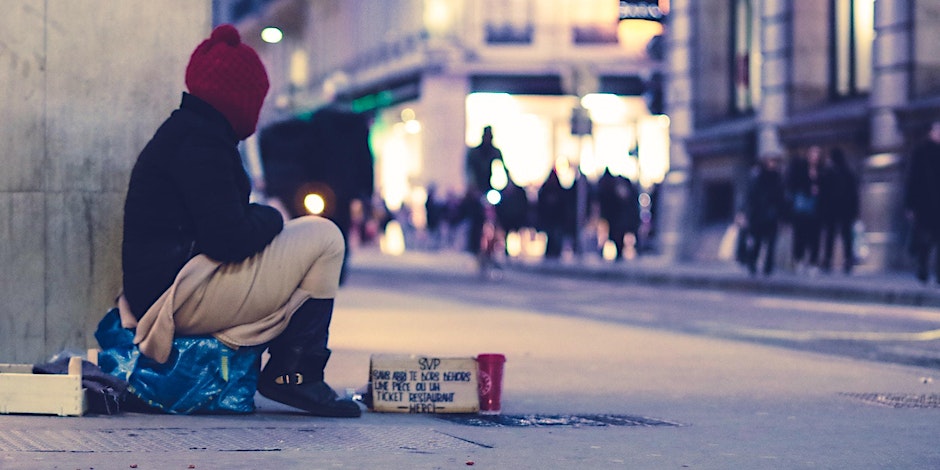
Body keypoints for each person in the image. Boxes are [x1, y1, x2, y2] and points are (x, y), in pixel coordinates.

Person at [119, 25, 360, 417]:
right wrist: (270, 217)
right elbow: (227, 238)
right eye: (256, 99)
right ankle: (294, 374)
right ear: (239, 98)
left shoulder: (191, 132)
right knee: (325, 236)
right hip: (174, 298)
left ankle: (293, 370)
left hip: (176, 285)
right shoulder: (201, 143)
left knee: (310, 232)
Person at [904, 119, 940, 284]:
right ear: (931, 132)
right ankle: (923, 268)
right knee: (925, 240)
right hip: (924, 204)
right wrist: (910, 205)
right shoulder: (920, 152)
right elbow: (912, 180)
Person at [818, 147, 860, 274]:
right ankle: (847, 260)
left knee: (832, 235)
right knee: (846, 235)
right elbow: (854, 194)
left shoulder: (829, 173)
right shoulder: (848, 172)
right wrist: (855, 210)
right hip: (845, 209)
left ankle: (828, 260)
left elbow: (823, 194)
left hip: (833, 209)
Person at [744, 155, 787, 276]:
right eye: (770, 161)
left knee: (771, 243)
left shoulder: (778, 178)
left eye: (774, 161)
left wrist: (782, 215)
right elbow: (751, 197)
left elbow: (781, 198)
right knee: (757, 242)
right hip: (758, 216)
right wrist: (748, 214)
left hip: (772, 215)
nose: (772, 164)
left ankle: (768, 267)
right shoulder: (757, 177)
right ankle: (752, 264)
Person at [464, 126, 505, 254]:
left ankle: (499, 244)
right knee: (476, 217)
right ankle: (474, 246)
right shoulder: (474, 153)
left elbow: (503, 168)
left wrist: (509, 184)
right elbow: (469, 171)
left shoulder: (495, 152)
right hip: (477, 189)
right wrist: (472, 187)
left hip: (489, 187)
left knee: (501, 213)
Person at [786, 145, 825, 273]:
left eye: (817, 154)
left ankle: (813, 261)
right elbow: (793, 184)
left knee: (814, 236)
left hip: (816, 207)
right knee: (800, 234)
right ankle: (799, 259)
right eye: (813, 153)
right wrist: (809, 188)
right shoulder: (800, 168)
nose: (815, 157)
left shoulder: (822, 170)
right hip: (802, 206)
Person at [596, 168, 641, 261]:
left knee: (616, 233)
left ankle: (617, 252)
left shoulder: (608, 187)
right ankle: (618, 252)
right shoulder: (616, 189)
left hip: (616, 217)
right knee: (616, 233)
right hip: (617, 217)